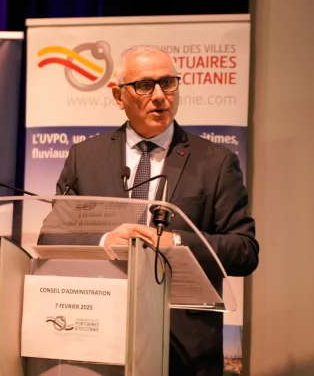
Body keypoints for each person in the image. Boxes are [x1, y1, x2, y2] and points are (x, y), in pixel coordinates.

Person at [45, 45, 259, 376]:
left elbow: (245, 250)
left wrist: (177, 242)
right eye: (145, 85)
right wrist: (105, 241)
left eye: (168, 83)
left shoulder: (216, 162)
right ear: (118, 96)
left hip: (184, 350)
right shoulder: (84, 157)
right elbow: (51, 237)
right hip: (98, 338)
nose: (159, 96)